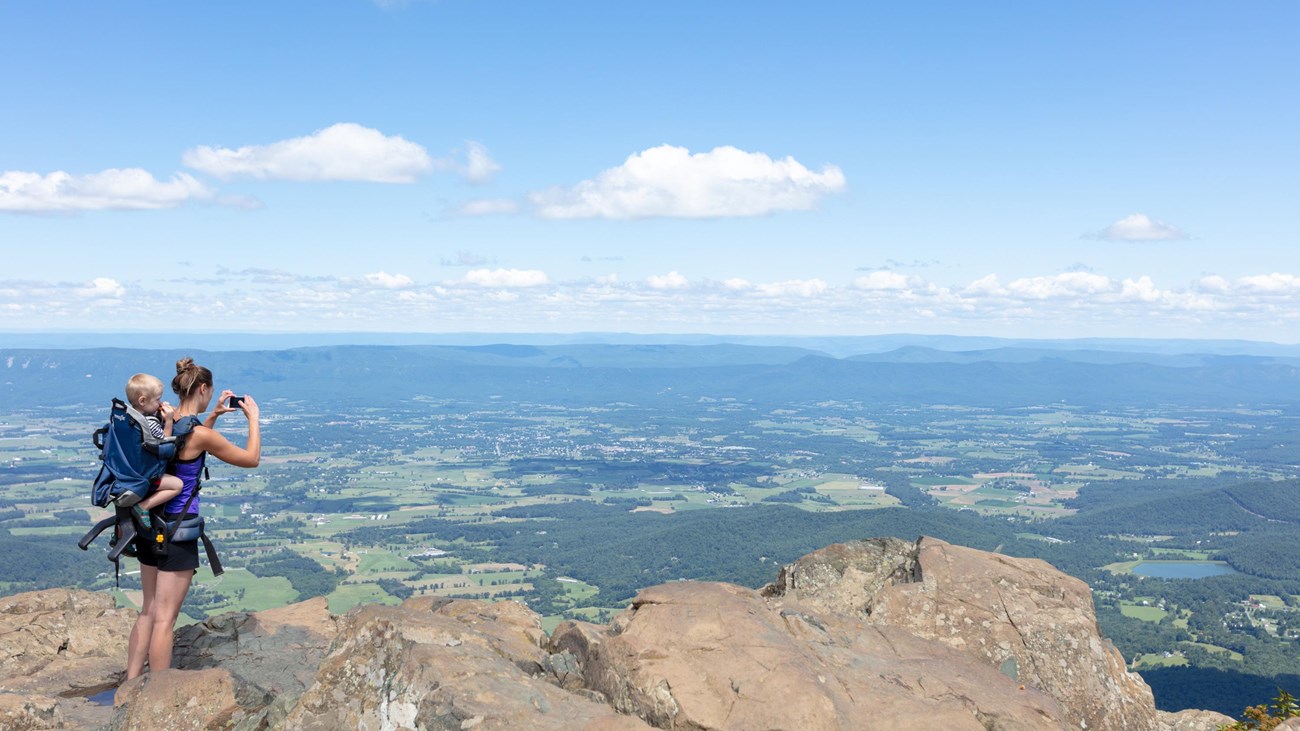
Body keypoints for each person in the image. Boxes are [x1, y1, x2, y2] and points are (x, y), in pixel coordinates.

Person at [125, 357, 260, 680]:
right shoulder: (198, 434)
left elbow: (183, 450)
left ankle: (129, 685)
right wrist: (253, 419)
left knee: (148, 611)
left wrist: (210, 416)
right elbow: (251, 459)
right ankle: (156, 693)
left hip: (146, 524)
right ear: (203, 388)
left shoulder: (160, 418)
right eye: (209, 393)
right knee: (165, 619)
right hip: (177, 533)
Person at [123, 373, 184, 529]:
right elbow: (164, 443)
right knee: (177, 485)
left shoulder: (129, 417)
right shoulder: (149, 422)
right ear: (142, 401)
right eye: (157, 399)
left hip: (128, 470)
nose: (160, 403)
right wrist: (169, 421)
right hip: (146, 475)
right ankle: (143, 507)